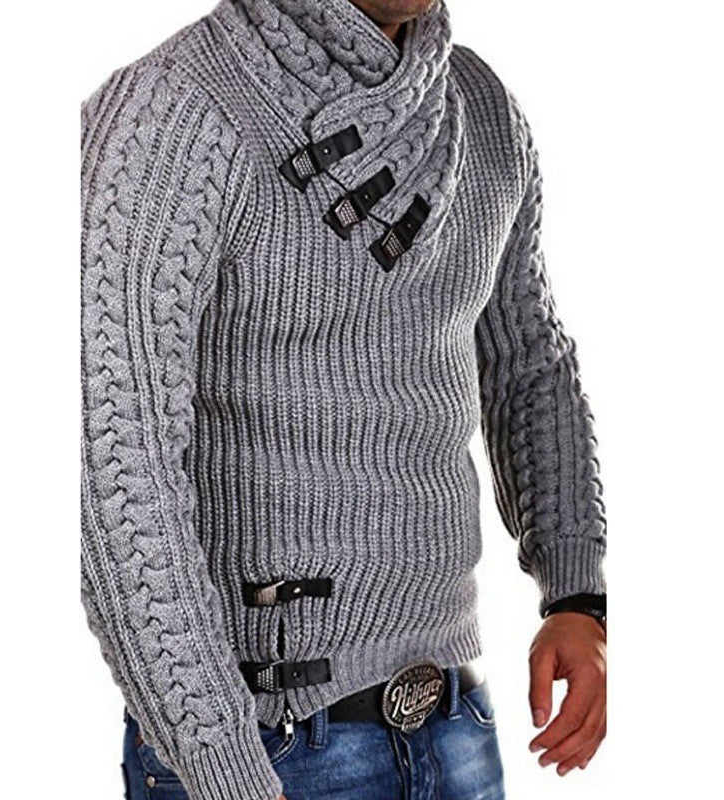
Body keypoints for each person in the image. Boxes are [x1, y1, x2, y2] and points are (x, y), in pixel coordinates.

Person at [80, 1, 607, 798]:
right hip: (265, 745)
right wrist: (220, 764)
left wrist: (576, 593)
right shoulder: (174, 109)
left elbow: (529, 361)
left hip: (457, 725)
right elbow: (114, 460)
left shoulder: (482, 111)